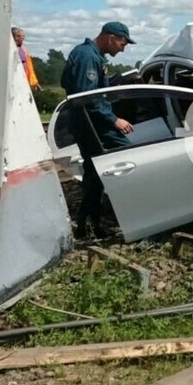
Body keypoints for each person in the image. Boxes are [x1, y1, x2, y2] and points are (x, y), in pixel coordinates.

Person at [61, 21, 136, 238]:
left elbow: (87, 88)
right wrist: (114, 120)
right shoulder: (88, 57)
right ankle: (98, 221)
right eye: (122, 43)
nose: (123, 48)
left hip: (91, 123)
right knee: (128, 158)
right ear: (110, 37)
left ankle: (88, 224)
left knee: (95, 173)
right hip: (92, 125)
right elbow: (88, 98)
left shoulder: (90, 55)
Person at [11, 26, 41, 91]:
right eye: (22, 36)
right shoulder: (10, 48)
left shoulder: (23, 49)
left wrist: (34, 82)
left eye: (23, 36)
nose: (23, 38)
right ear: (16, 37)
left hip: (24, 78)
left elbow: (29, 66)